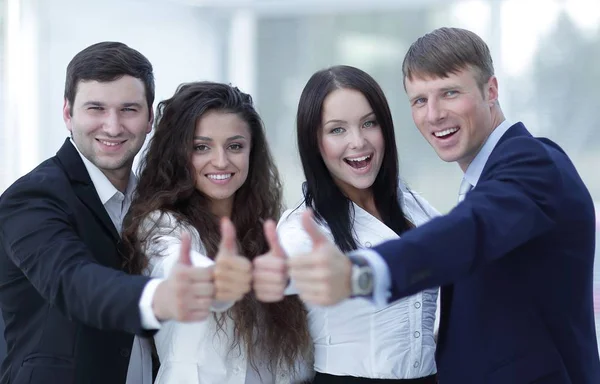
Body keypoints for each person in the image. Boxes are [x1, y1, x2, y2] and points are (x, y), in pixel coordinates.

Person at [283, 28, 600, 383]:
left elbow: (470, 230)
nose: (433, 115)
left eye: (449, 93)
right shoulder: (484, 182)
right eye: (419, 100)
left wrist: (364, 272)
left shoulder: (533, 165)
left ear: (491, 91)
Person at [0, 42, 242, 384]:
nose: (112, 127)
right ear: (68, 113)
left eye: (128, 109)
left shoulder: (156, 201)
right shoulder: (32, 197)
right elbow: (73, 281)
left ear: (149, 120)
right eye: (96, 108)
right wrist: (158, 296)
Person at [256, 65, 438, 383]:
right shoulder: (304, 229)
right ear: (314, 142)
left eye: (369, 123)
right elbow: (278, 278)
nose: (358, 142)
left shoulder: (414, 204)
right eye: (337, 130)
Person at [121, 81, 313, 384]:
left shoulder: (268, 234)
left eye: (235, 146)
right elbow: (177, 266)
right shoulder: (161, 226)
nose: (221, 161)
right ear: (178, 154)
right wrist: (216, 279)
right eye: (201, 147)